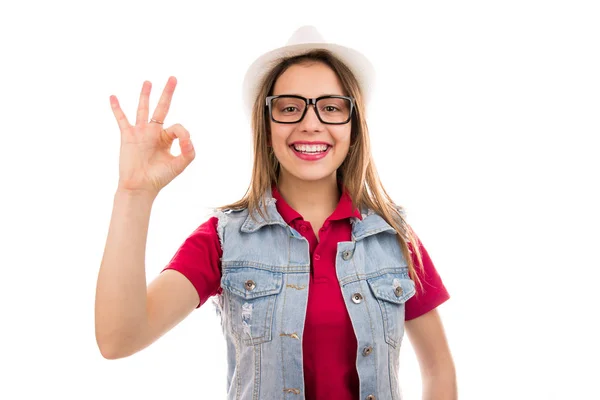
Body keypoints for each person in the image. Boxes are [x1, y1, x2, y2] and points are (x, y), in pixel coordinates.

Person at [95, 25, 457, 400]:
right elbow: (119, 338)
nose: (311, 123)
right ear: (266, 128)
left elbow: (438, 368)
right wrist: (133, 194)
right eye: (289, 108)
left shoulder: (395, 240)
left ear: (353, 127)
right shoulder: (223, 240)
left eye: (331, 107)